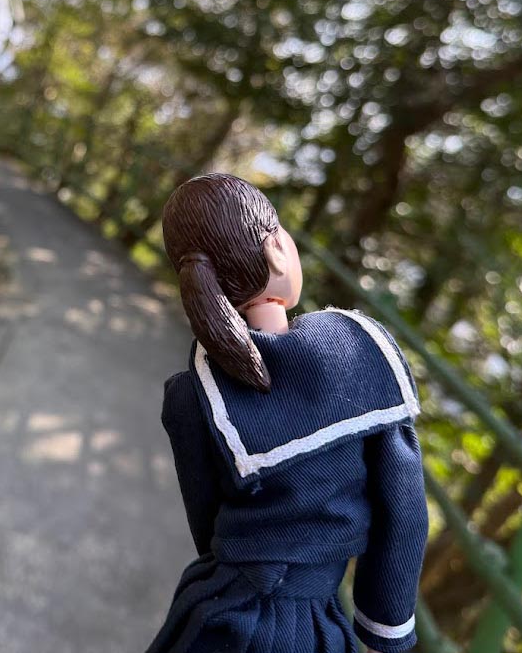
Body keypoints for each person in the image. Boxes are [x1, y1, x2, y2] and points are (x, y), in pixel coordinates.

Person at [147, 174, 427, 653]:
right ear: (277, 250)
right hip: (308, 626)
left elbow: (206, 523)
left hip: (210, 609)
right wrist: (387, 630)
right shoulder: (359, 355)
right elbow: (404, 513)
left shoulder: (193, 393)